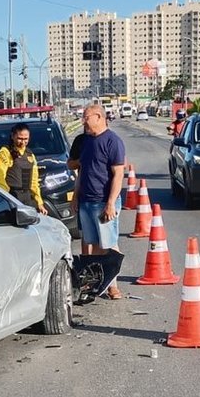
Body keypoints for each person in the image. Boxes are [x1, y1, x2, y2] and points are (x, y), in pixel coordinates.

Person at [71, 103, 126, 300]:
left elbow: (118, 174)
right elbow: (81, 171)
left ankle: (113, 286)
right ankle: (93, 283)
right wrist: (75, 197)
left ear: (99, 117)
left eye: (86, 117)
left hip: (104, 202)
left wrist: (111, 203)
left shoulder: (113, 141)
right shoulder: (85, 141)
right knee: (90, 243)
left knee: (109, 244)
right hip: (86, 201)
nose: (83, 121)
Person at [0, 122, 48, 214]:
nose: (23, 142)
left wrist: (39, 203)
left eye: (26, 139)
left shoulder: (30, 155)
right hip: (12, 198)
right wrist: (4, 200)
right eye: (19, 138)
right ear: (12, 136)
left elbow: (34, 182)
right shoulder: (5, 153)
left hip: (28, 198)